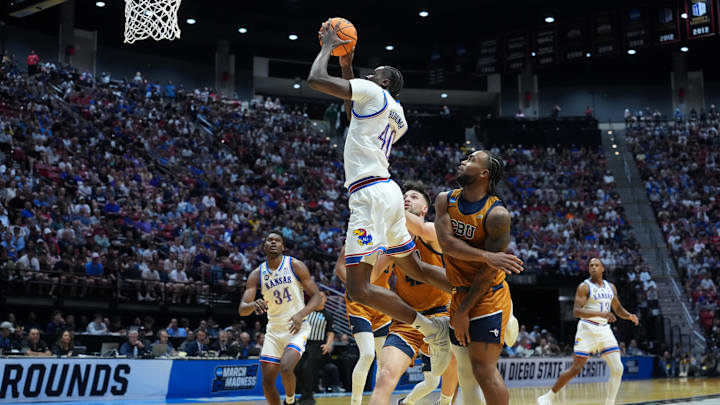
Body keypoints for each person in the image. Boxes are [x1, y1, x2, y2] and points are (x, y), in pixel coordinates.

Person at [307, 19, 453, 378]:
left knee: (358, 288)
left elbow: (315, 80)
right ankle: (468, 285)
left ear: (385, 82)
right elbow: (351, 114)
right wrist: (347, 63)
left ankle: (429, 329)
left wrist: (328, 46)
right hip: (389, 190)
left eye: (374, 73)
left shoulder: (373, 94)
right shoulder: (397, 114)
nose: (368, 76)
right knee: (414, 267)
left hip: (369, 195)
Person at [434, 150, 524, 405]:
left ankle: (508, 319)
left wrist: (463, 311)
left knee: (484, 371)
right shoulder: (444, 200)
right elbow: (446, 244)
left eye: (471, 160)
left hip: (487, 295)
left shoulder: (497, 215)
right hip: (458, 290)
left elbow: (488, 273)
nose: (463, 161)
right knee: (464, 371)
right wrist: (487, 255)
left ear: (484, 173)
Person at [370, 181, 459, 405]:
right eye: (404, 196)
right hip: (407, 320)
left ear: (424, 209)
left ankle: (446, 401)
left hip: (441, 316)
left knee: (453, 361)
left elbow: (418, 228)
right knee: (385, 376)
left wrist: (389, 203)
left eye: (413, 197)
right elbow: (370, 277)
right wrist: (375, 247)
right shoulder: (394, 238)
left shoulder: (433, 231)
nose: (406, 198)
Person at [537, 258, 639, 405]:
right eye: (591, 265)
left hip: (604, 330)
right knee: (576, 368)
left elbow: (617, 309)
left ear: (602, 268)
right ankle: (548, 396)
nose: (593, 267)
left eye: (597, 265)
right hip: (587, 329)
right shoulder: (584, 287)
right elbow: (577, 312)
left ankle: (609, 403)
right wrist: (600, 314)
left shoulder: (611, 287)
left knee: (618, 368)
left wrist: (629, 316)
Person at [238, 231, 323, 405]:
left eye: (277, 240)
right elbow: (242, 310)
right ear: (264, 246)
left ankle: (290, 401)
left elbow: (317, 297)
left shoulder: (295, 265)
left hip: (296, 327)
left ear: (283, 247)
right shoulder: (256, 274)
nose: (273, 242)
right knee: (267, 382)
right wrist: (253, 305)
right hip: (274, 330)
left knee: (285, 367)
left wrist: (301, 314)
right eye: (269, 240)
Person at [334, 246, 391, 405]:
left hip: (381, 304)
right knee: (367, 354)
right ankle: (355, 402)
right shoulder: (356, 238)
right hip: (358, 304)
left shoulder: (392, 241)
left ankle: (379, 401)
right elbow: (339, 267)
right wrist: (355, 285)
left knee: (384, 361)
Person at [296, 292, 336, 405]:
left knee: (307, 368)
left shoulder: (327, 315)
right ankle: (304, 395)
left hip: (317, 346)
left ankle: (309, 397)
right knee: (297, 368)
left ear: (325, 300)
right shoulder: (307, 312)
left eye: (321, 297)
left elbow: (331, 332)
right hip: (304, 344)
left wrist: (328, 345)